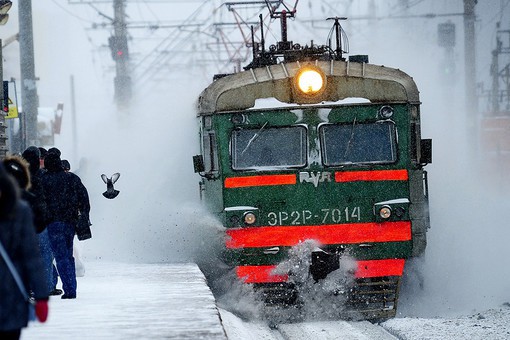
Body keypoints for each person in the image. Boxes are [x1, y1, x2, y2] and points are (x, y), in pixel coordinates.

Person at [0, 162, 49, 339]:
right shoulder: (20, 210)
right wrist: (42, 296)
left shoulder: (20, 210)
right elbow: (32, 257)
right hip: (12, 296)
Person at [41, 149, 90, 299]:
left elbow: (39, 202)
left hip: (52, 223)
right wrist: (83, 216)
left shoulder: (44, 180)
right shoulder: (72, 179)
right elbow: (84, 199)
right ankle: (71, 287)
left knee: (60, 256)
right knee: (68, 255)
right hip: (70, 223)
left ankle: (69, 290)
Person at [21, 147, 62, 296]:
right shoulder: (44, 176)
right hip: (43, 222)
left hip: (24, 222)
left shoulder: (19, 177)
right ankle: (46, 286)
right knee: (45, 254)